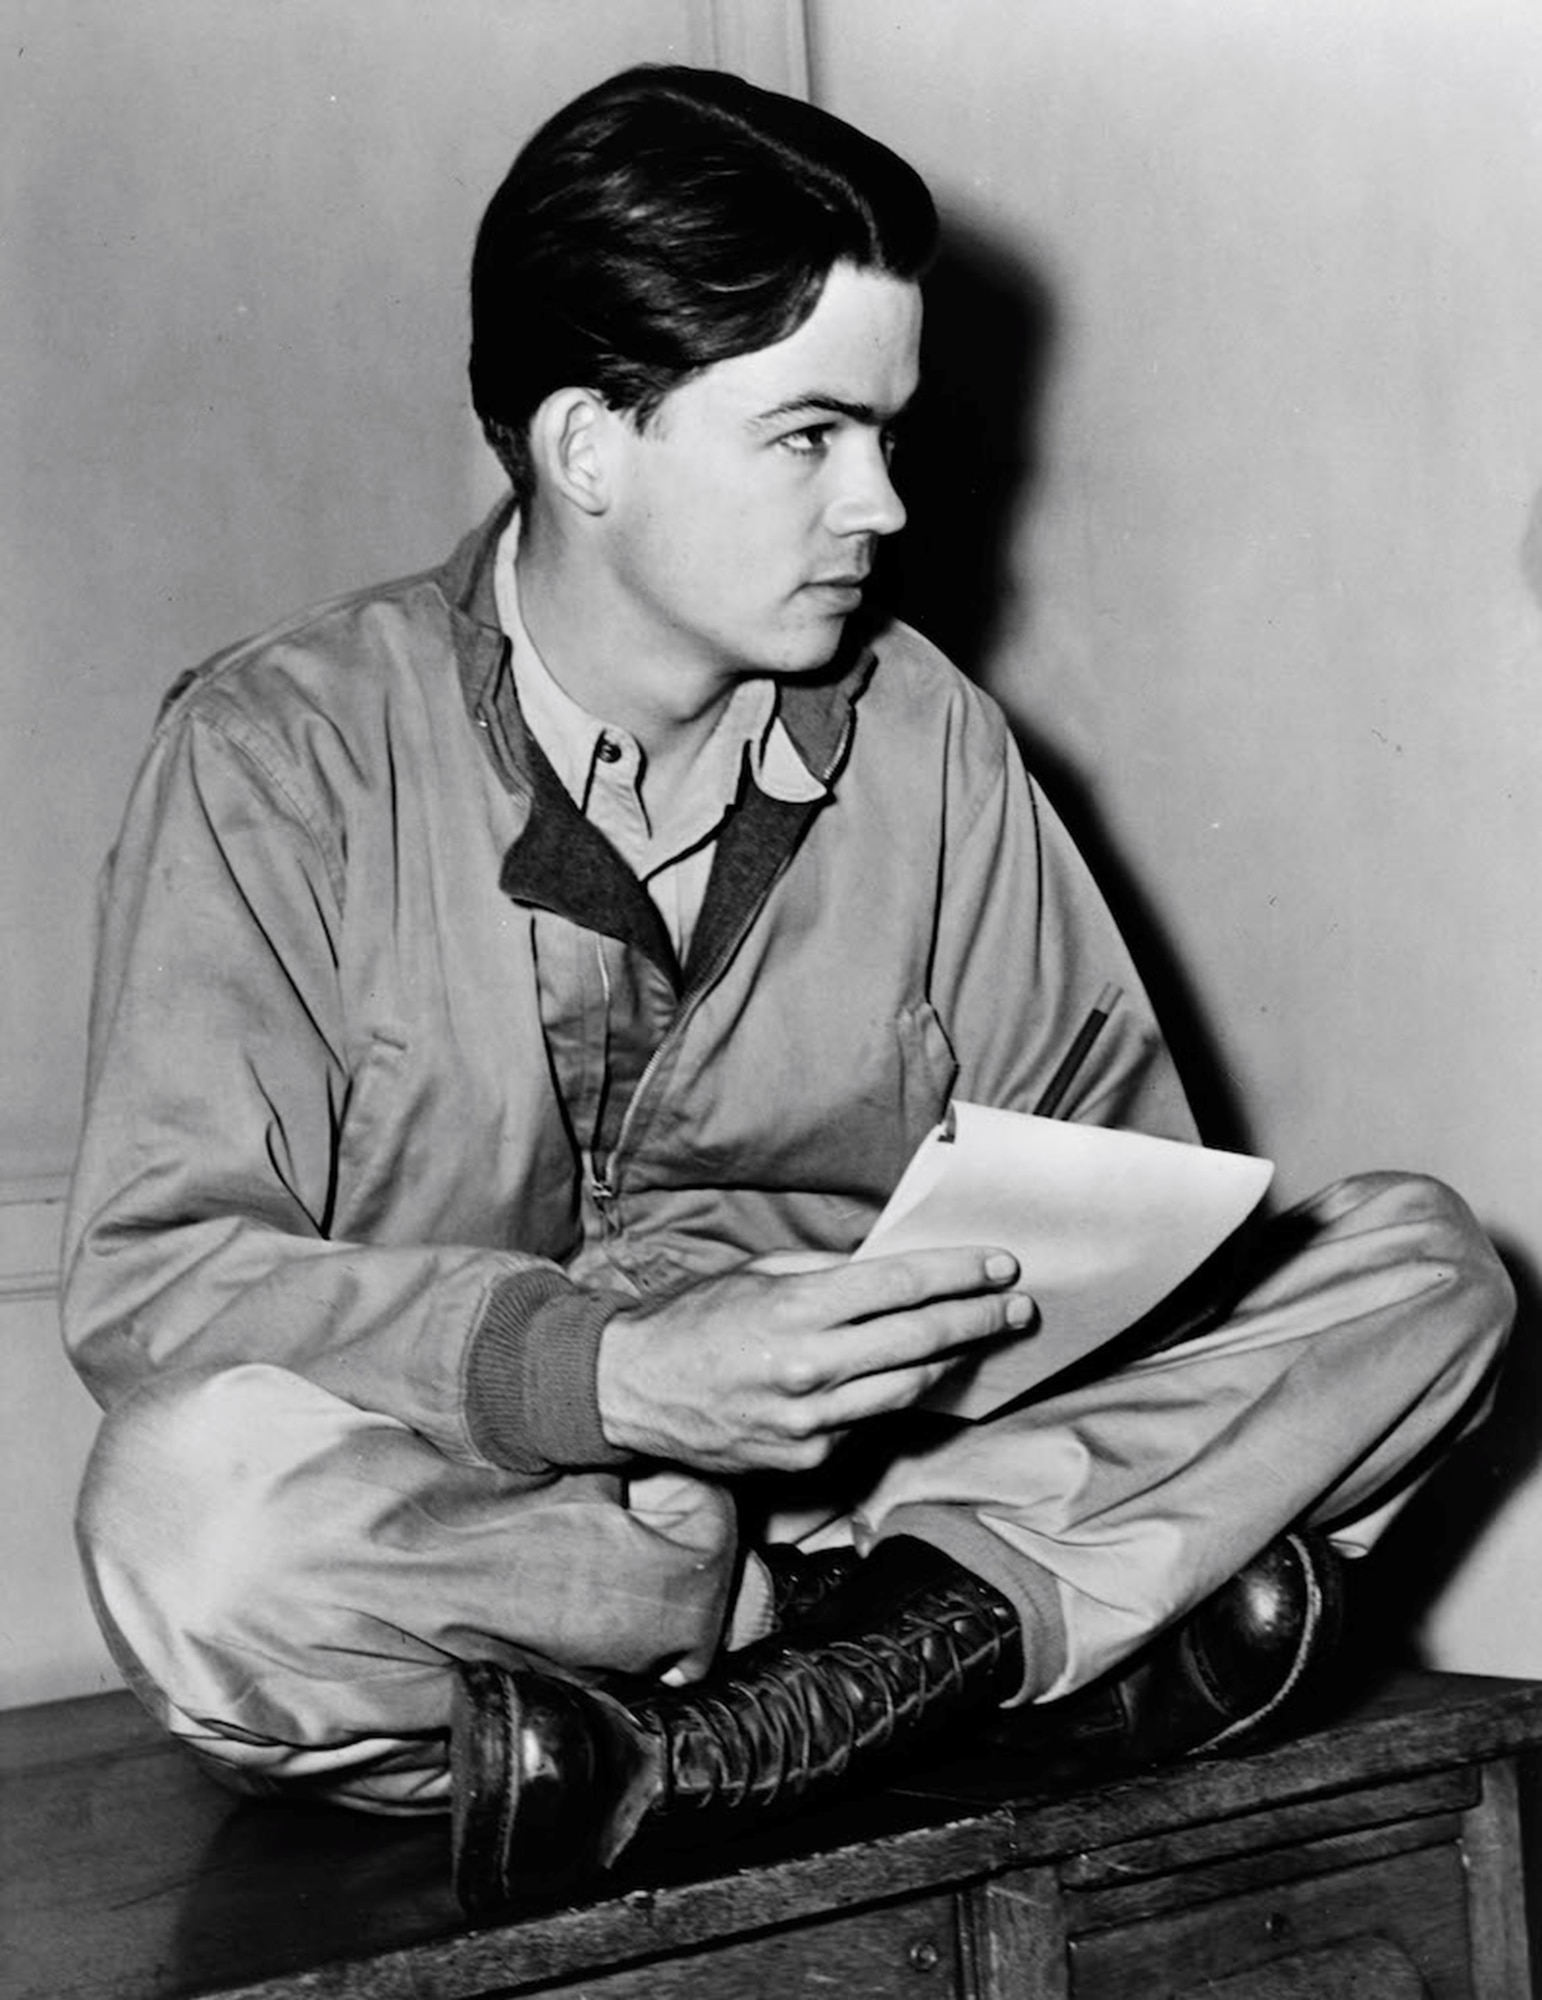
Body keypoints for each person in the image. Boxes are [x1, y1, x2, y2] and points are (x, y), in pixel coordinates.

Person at [62, 64, 1512, 1914]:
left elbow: (1139, 1207)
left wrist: (988, 1348)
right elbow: (164, 1277)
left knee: (1418, 1268)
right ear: (592, 445)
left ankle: (804, 1689)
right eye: (813, 436)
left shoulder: (930, 745)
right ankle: (965, 1650)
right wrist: (613, 1375)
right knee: (185, 1522)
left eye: (889, 437)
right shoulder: (281, 751)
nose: (884, 504)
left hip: (894, 1490)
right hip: (529, 1542)